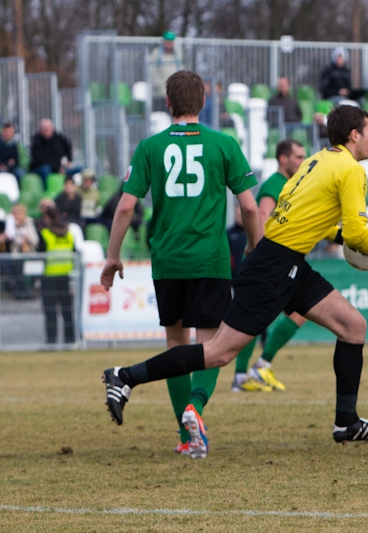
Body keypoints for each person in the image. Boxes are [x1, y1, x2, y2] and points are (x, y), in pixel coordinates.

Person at [102, 105, 368, 451]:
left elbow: (317, 223)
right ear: (354, 135)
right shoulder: (351, 170)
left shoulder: (319, 160)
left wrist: (351, 240)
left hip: (286, 262)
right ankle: (124, 376)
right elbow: (358, 233)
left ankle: (346, 421)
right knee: (216, 353)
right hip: (275, 266)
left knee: (353, 326)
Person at [100, 70, 262, 458]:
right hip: (209, 258)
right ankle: (197, 409)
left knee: (175, 343)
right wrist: (256, 249)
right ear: (204, 102)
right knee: (211, 345)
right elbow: (250, 206)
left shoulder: (149, 147)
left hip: (168, 259)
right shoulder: (223, 143)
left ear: (168, 103)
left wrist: (112, 256)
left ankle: (186, 434)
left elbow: (125, 205)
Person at [231, 139, 307, 393]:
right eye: (297, 157)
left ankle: (259, 366)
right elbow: (262, 217)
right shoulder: (274, 184)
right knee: (255, 319)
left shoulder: (290, 184)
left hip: (280, 261)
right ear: (282, 159)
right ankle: (243, 376)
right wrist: (262, 256)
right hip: (268, 262)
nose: (301, 161)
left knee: (299, 312)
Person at [37, 207, 76, 344]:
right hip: (66, 277)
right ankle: (70, 341)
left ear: (48, 218)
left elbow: (39, 255)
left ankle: (51, 342)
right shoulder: (69, 234)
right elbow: (74, 254)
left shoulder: (45, 233)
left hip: (49, 277)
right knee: (67, 312)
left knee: (50, 313)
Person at [29, 119, 79, 185]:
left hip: (59, 167)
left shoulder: (59, 138)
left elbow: (68, 147)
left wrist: (69, 160)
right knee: (46, 169)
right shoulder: (36, 142)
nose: (46, 129)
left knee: (79, 169)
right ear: (40, 129)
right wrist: (57, 169)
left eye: (48, 127)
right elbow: (40, 160)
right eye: (44, 128)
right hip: (42, 168)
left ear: (52, 128)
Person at [149, 32, 182, 113]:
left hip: (174, 92)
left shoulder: (177, 54)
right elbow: (152, 70)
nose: (169, 44)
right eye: (167, 42)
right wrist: (158, 83)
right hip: (160, 93)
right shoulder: (156, 54)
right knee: (160, 114)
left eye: (171, 42)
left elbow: (180, 68)